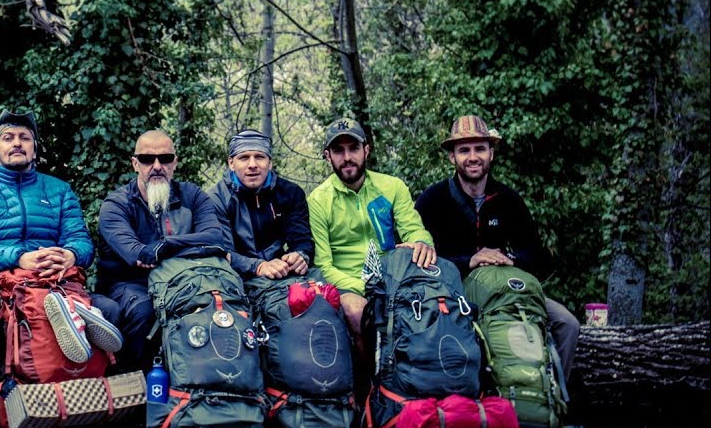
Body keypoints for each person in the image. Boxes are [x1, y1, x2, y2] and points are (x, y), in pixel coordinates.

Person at [0, 111, 120, 428]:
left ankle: (98, 412)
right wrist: (19, 257)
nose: (17, 144)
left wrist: (69, 255)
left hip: (54, 288)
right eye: (8, 138)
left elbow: (82, 242)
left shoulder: (59, 190)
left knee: (110, 310)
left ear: (35, 148)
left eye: (24, 138)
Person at [414, 114, 580, 376]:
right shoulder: (432, 201)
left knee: (567, 323)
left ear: (491, 153)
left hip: (505, 294)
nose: (473, 157)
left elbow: (538, 256)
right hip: (454, 295)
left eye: (480, 149)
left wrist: (510, 260)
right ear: (452, 157)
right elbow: (420, 261)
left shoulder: (508, 199)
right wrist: (470, 261)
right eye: (464, 150)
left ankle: (549, 393)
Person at [306, 117, 436, 369]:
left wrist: (422, 242)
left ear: (366, 150)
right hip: (348, 283)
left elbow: (414, 230)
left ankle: (423, 376)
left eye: (353, 148)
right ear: (327, 156)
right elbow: (323, 265)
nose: (347, 157)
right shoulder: (318, 200)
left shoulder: (392, 187)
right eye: (338, 150)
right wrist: (366, 289)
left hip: (393, 277)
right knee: (357, 311)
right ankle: (374, 380)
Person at [97, 129, 227, 372]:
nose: (157, 166)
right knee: (144, 311)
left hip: (186, 280)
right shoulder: (116, 205)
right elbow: (137, 255)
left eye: (165, 159)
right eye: (147, 159)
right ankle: (136, 382)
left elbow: (214, 237)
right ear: (135, 164)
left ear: (174, 163)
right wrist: (191, 246)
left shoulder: (193, 196)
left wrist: (166, 245)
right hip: (131, 284)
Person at [206, 129, 314, 280]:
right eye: (244, 158)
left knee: (318, 286)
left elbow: (302, 239)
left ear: (270, 163)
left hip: (280, 271)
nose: (252, 165)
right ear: (231, 163)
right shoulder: (216, 199)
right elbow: (222, 252)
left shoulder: (291, 193)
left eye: (259, 157)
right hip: (237, 276)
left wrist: (301, 255)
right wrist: (258, 266)